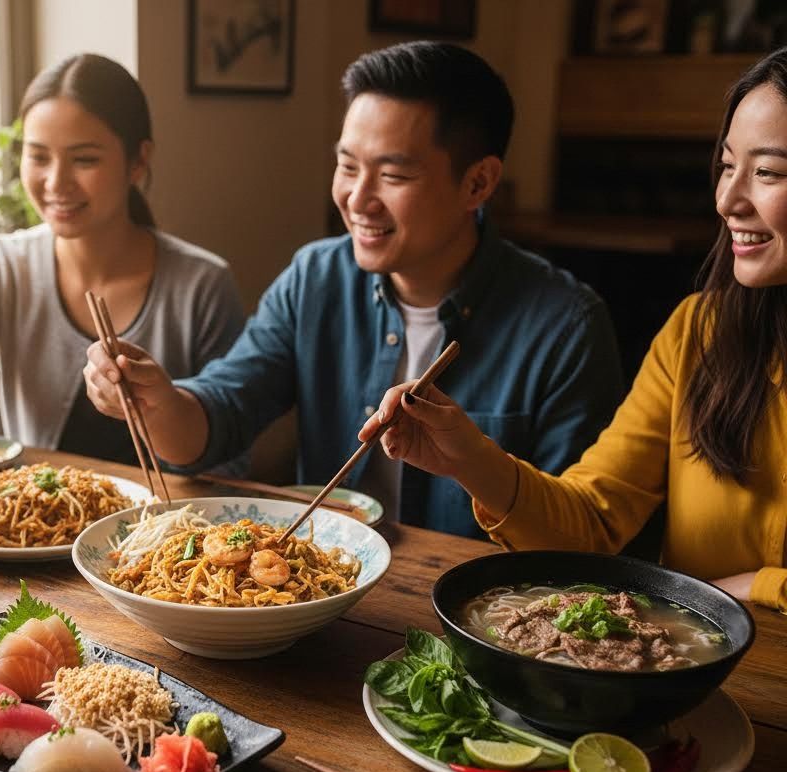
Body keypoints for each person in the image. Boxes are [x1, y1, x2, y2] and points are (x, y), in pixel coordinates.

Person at [83, 42, 623, 537]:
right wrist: (156, 404)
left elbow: (570, 539)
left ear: (477, 183)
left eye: (393, 176)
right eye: (346, 166)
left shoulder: (565, 326)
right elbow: (224, 413)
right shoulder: (316, 277)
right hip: (319, 590)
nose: (357, 199)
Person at [357, 47, 787, 612]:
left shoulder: (565, 318)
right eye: (727, 166)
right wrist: (469, 458)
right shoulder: (698, 334)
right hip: (698, 679)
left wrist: (758, 587)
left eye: (768, 172)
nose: (728, 199)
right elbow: (590, 522)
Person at [0, 54, 244, 465]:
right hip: (37, 521)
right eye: (38, 157)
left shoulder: (202, 284)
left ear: (138, 160)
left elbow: (227, 449)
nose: (55, 182)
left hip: (169, 523)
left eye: (84, 159)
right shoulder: (0, 266)